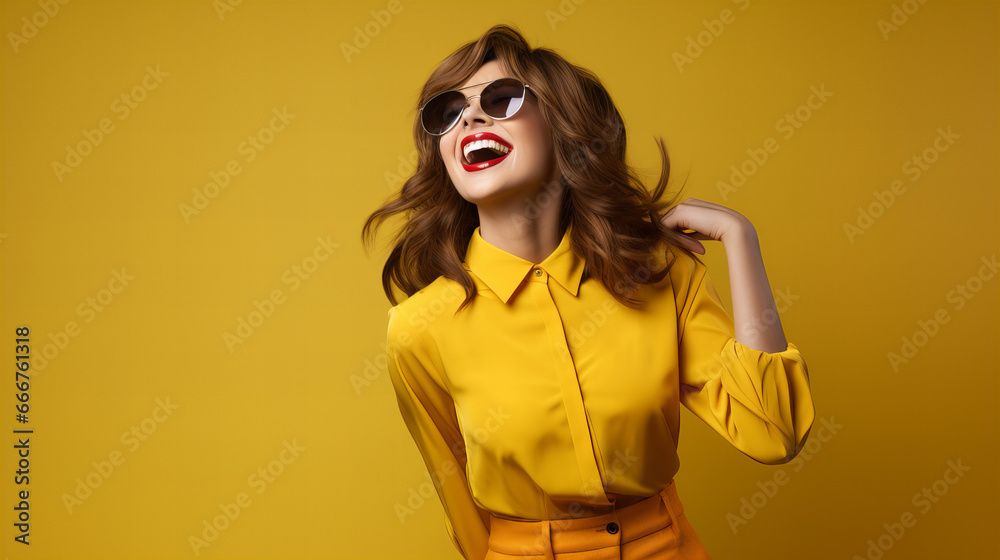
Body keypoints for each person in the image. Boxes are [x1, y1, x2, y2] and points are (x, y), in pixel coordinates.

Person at [361, 24, 815, 560]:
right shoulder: (420, 328)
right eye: (448, 112)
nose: (472, 119)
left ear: (563, 126)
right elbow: (460, 504)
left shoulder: (658, 276)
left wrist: (741, 240)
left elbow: (774, 431)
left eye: (501, 99)